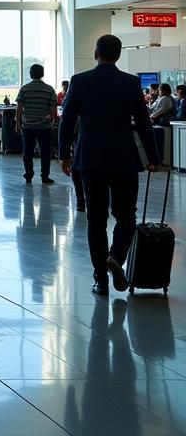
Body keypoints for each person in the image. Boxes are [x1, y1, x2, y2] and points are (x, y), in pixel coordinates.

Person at [59, 34, 160, 296]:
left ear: (96, 53)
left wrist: (64, 155)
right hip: (124, 159)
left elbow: (67, 121)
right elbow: (143, 123)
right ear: (118, 55)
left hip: (90, 160)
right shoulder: (130, 83)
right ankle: (116, 256)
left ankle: (100, 279)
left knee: (96, 218)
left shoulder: (79, 81)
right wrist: (153, 157)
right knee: (126, 215)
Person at [16, 64, 58, 185]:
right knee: (45, 152)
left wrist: (18, 123)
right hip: (44, 127)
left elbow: (19, 108)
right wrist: (54, 120)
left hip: (27, 126)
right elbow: (53, 108)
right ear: (43, 74)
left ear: (30, 74)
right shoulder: (49, 89)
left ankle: (29, 175)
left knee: (27, 152)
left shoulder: (24, 89)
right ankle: (45, 176)